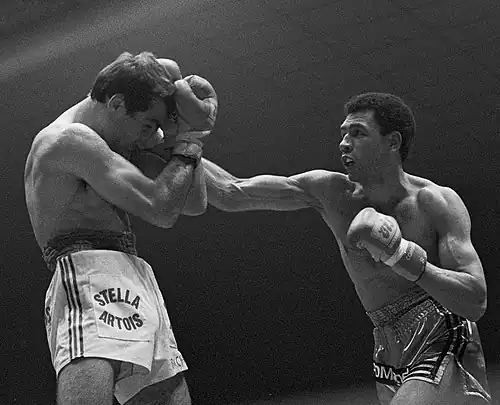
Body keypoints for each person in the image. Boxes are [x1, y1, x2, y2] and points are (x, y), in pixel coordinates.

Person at [203, 92, 491, 404]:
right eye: (343, 134)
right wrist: (185, 144)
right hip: (385, 345)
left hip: (441, 333)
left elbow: (475, 299)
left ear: (393, 142)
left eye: (358, 133)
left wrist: (402, 256)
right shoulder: (330, 192)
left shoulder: (434, 202)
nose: (344, 143)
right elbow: (232, 193)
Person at [24, 51, 217, 405]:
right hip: (88, 276)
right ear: (116, 103)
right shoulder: (70, 141)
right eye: (148, 124)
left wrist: (186, 134)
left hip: (133, 273)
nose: (151, 136)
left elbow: (192, 202)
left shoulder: (116, 142)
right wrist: (187, 143)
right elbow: (161, 209)